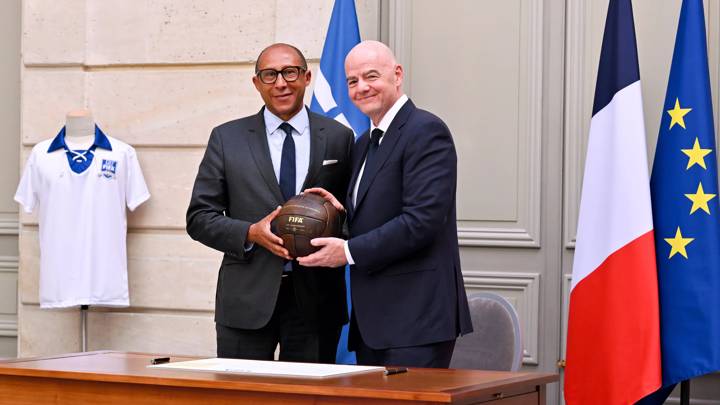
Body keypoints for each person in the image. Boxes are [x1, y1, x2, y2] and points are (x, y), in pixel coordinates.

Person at [298, 40, 473, 368]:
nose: (361, 87)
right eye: (352, 81)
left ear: (397, 75)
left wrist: (347, 252)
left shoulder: (426, 131)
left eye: (371, 76)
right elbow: (378, 214)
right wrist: (341, 213)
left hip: (416, 319)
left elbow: (422, 221)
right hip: (374, 322)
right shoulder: (364, 142)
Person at [186, 43, 354, 363]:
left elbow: (353, 212)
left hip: (317, 302)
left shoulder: (339, 137)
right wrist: (250, 233)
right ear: (256, 83)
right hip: (246, 302)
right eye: (269, 75)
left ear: (306, 77)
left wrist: (339, 225)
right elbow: (199, 218)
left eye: (290, 72)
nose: (281, 82)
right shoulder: (227, 138)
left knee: (310, 400)